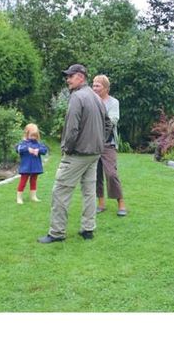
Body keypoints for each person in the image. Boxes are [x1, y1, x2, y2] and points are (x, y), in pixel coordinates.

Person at [39, 64, 111, 244]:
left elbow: (72, 128)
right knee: (89, 192)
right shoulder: (96, 98)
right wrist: (100, 141)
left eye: (70, 76)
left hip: (78, 154)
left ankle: (56, 233)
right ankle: (88, 230)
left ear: (80, 77)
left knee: (60, 191)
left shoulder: (77, 97)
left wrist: (67, 148)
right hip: (94, 154)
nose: (67, 80)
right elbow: (109, 124)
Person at [92, 73, 128, 216]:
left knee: (111, 174)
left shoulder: (114, 102)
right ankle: (101, 203)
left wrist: (95, 123)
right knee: (96, 174)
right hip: (93, 143)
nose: (94, 88)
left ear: (106, 88)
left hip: (108, 143)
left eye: (97, 85)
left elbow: (113, 120)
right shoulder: (90, 100)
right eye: (93, 85)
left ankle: (121, 203)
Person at [15, 122, 48, 204]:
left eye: (35, 135)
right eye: (32, 135)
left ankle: (33, 196)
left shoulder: (38, 144)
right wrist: (27, 149)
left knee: (34, 181)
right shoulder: (23, 143)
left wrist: (38, 150)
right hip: (26, 167)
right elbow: (18, 149)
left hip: (35, 166)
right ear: (27, 134)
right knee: (23, 181)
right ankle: (19, 198)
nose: (34, 137)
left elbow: (44, 150)